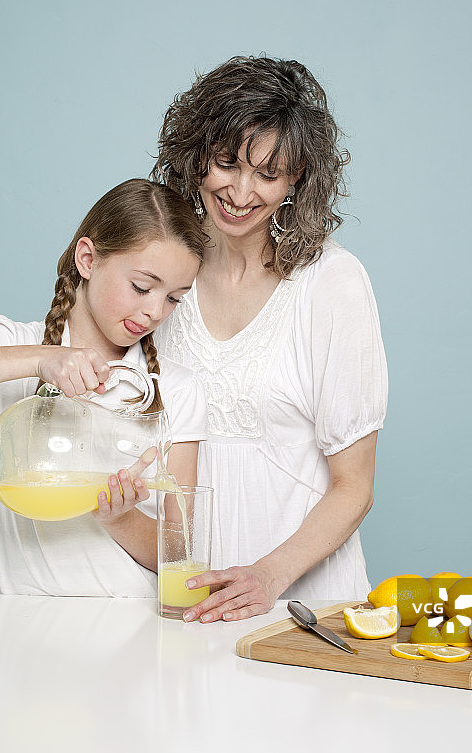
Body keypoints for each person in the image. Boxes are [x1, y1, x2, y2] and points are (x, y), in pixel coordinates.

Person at [0, 178, 207, 596]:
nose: (156, 311)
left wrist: (120, 518)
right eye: (142, 287)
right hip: (15, 628)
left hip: (127, 634)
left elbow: (179, 555)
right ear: (87, 259)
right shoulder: (17, 345)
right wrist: (40, 359)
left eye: (174, 298)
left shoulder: (175, 388)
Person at [152, 55, 388, 622]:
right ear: (196, 156)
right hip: (188, 605)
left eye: (267, 173)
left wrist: (266, 577)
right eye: (226, 162)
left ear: (299, 178)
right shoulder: (163, 272)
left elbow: (354, 486)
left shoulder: (332, 284)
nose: (240, 190)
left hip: (304, 606)